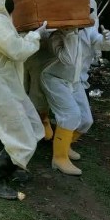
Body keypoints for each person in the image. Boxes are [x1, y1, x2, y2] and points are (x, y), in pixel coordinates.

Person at [0, 0, 54, 199]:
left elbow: (12, 46)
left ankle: (15, 166)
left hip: (6, 85)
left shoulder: (0, 21)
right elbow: (18, 50)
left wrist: (32, 35)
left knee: (31, 126)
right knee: (19, 133)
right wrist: (36, 35)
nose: (12, 0)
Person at [40, 28, 92, 176]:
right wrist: (69, 33)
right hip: (54, 78)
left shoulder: (81, 33)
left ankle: (65, 144)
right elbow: (68, 59)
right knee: (70, 115)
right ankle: (59, 158)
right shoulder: (56, 36)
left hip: (74, 81)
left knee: (86, 120)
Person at [80, 0, 110, 97]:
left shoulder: (87, 32)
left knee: (83, 112)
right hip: (58, 82)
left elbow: (100, 42)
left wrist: (107, 39)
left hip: (80, 83)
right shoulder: (59, 33)